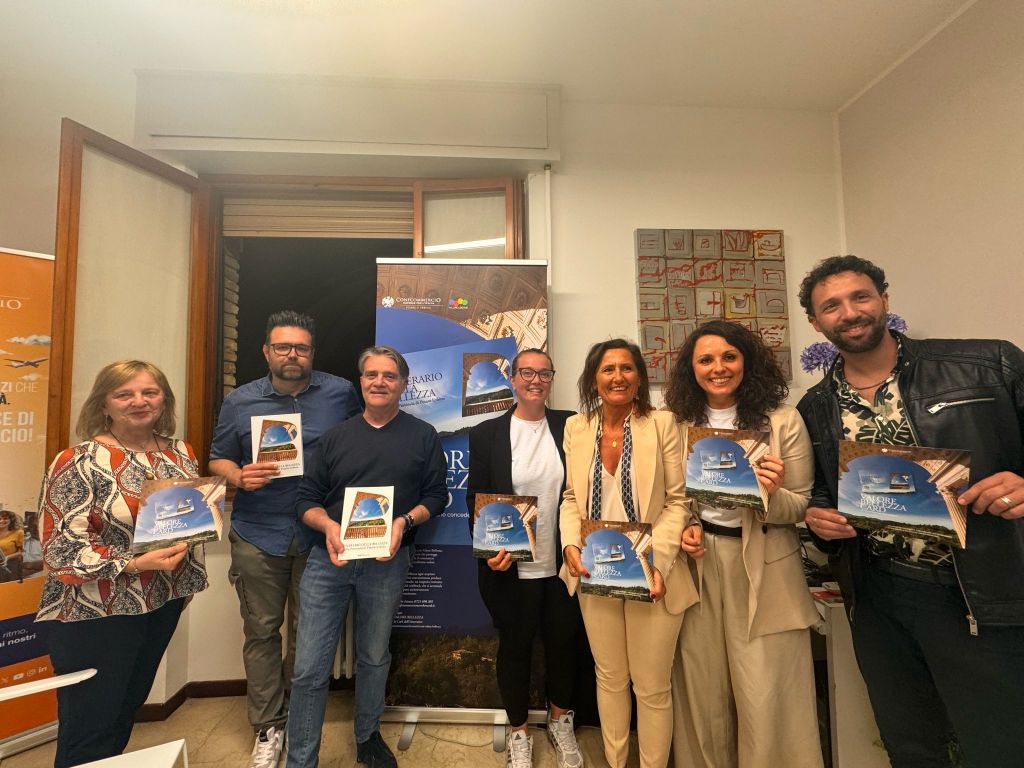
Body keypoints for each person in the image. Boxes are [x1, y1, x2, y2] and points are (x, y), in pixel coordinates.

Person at [796, 255, 1024, 768]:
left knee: (999, 743)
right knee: (911, 743)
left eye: (860, 296)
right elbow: (824, 491)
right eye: (831, 306)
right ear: (815, 322)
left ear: (884, 299)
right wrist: (820, 517)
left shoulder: (988, 364)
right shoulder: (816, 406)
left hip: (976, 590)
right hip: (878, 596)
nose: (849, 312)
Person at [665, 320, 822, 768]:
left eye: (729, 357)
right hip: (698, 563)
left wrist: (769, 493)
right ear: (692, 369)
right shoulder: (678, 423)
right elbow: (673, 497)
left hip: (766, 565)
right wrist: (685, 526)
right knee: (703, 688)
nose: (718, 368)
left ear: (747, 361)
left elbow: (800, 505)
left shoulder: (783, 420)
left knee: (764, 691)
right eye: (706, 360)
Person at [36, 360, 208, 768]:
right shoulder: (78, 460)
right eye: (124, 394)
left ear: (163, 400)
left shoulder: (180, 454)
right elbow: (60, 549)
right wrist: (134, 563)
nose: (139, 401)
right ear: (104, 404)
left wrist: (185, 586)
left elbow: (187, 528)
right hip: (95, 612)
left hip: (160, 605)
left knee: (123, 713)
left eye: (150, 392)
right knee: (89, 729)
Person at [210, 310, 360, 768]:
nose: (292, 355)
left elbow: (362, 441)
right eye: (283, 347)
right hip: (259, 533)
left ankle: (298, 718)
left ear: (312, 352)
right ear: (267, 351)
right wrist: (239, 475)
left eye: (301, 348)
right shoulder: (240, 401)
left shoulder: (340, 393)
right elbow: (218, 458)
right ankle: (267, 727)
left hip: (318, 534)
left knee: (307, 637)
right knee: (260, 632)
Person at [286, 345, 447, 768]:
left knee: (374, 657)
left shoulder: (423, 436)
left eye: (389, 376)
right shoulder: (336, 438)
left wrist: (404, 523)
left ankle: (367, 737)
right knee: (309, 667)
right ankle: (300, 759)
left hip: (387, 563)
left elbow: (437, 496)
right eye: (371, 374)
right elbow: (305, 500)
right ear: (361, 382)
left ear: (403, 384)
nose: (379, 382)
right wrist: (327, 525)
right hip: (329, 560)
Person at [559, 338, 694, 768]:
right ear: (593, 380)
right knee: (610, 677)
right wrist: (570, 544)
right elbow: (571, 497)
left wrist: (657, 562)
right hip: (595, 571)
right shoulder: (577, 427)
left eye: (626, 368)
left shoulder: (664, 423)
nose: (618, 376)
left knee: (652, 687)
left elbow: (678, 501)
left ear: (639, 376)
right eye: (608, 369)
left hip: (653, 573)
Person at [466, 348, 584, 768]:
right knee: (514, 649)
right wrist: (488, 552)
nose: (536, 380)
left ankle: (560, 722)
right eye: (527, 373)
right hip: (510, 567)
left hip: (564, 564)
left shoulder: (571, 425)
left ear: (552, 378)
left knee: (564, 646)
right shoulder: (487, 433)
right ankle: (519, 733)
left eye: (544, 373)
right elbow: (476, 500)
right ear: (513, 379)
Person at [0, 509, 24, 582]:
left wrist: (7, 558)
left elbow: (22, 552)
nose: (1, 521)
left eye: (5, 518)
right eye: (0, 519)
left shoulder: (19, 533)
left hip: (11, 565)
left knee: (9, 586)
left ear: (11, 520)